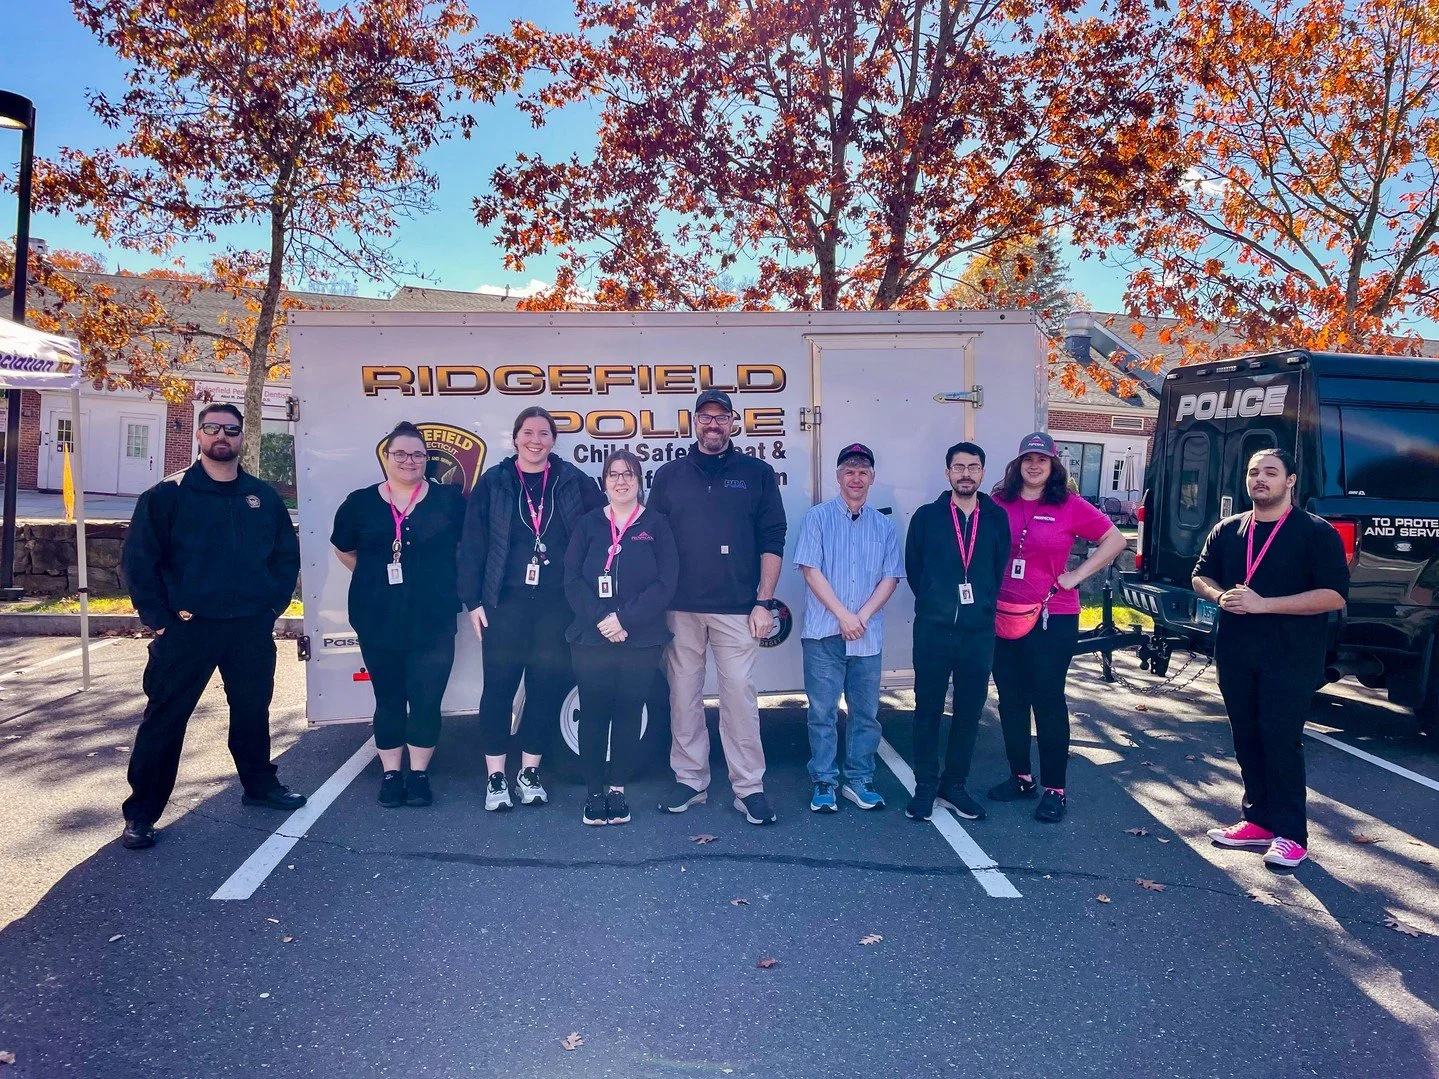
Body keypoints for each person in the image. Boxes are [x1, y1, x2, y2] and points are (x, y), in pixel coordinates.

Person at [118, 403, 305, 850]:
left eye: (231, 430)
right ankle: (141, 813)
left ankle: (260, 786)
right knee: (165, 720)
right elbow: (138, 563)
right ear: (199, 436)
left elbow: (285, 557)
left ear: (242, 438)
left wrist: (271, 608)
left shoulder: (262, 496)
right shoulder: (167, 496)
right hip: (187, 630)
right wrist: (159, 623)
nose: (222, 435)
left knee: (252, 711)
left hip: (248, 629)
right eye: (212, 428)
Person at [1194, 448, 1348, 869]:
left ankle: (1291, 835)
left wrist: (1266, 605)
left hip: (1291, 657)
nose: (1260, 479)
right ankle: (1258, 821)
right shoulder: (1228, 529)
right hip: (1237, 653)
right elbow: (1200, 574)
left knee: (1280, 740)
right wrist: (1218, 594)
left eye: (1270, 472)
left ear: (1291, 480)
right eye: (1253, 473)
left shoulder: (1315, 533)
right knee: (1246, 737)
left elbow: (1333, 595)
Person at [649, 389, 787, 825]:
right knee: (683, 696)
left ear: (733, 422)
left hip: (737, 608)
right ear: (694, 422)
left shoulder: (757, 473)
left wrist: (764, 602)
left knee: (739, 699)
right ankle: (690, 780)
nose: (713, 425)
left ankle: (748, 788)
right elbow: (651, 539)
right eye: (705, 417)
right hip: (680, 608)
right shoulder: (669, 475)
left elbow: (773, 538)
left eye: (721, 417)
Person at [458, 406, 604, 811]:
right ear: (515, 437)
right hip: (503, 605)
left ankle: (530, 772)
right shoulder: (496, 482)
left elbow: (601, 533)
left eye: (543, 433)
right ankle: (496, 778)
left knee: (544, 689)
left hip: (557, 607)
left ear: (553, 440)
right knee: (499, 691)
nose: (535, 440)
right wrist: (472, 602)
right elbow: (472, 545)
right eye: (528, 432)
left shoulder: (573, 482)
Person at [988, 432, 1128, 823]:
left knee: (1047, 700)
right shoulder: (998, 502)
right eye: (1028, 459)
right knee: (1011, 700)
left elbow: (1114, 539)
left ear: (1053, 467)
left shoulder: (1068, 505)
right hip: (1004, 614)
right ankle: (1020, 777)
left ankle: (1055, 789)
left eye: (1042, 461)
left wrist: (1076, 575)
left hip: (1053, 615)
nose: (1034, 466)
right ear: (1018, 464)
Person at [331, 422, 465, 808]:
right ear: (386, 458)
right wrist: (375, 577)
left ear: (428, 460)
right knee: (388, 698)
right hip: (378, 620)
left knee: (426, 700)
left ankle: (419, 774)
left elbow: (462, 550)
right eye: (401, 454)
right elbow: (344, 549)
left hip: (434, 620)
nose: (409, 461)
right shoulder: (359, 503)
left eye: (418, 455)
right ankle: (391, 774)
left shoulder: (448, 501)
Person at [564, 450, 679, 826]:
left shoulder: (656, 524)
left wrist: (624, 619)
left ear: (639, 481)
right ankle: (594, 794)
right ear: (604, 481)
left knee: (630, 713)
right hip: (592, 637)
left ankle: (618, 791)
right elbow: (572, 580)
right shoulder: (588, 525)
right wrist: (602, 619)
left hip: (640, 637)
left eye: (629, 474)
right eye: (614, 474)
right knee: (594, 714)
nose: (621, 481)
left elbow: (667, 582)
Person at [903, 441, 1011, 822]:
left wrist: (977, 605)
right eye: (959, 467)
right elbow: (914, 569)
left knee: (969, 712)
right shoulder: (926, 517)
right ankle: (925, 787)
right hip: (933, 631)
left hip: (978, 632)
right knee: (927, 711)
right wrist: (936, 603)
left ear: (983, 473)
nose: (966, 473)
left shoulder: (996, 518)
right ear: (947, 472)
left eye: (974, 467)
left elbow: (997, 570)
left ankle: (955, 785)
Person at [793, 443, 904, 813]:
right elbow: (810, 570)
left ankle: (858, 779)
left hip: (866, 636)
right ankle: (824, 781)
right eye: (849, 471)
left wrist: (862, 617)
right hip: (825, 632)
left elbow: (891, 577)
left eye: (863, 471)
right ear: (838, 476)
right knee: (822, 712)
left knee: (866, 713)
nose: (856, 478)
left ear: (872, 478)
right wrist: (843, 614)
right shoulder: (817, 518)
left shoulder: (884, 525)